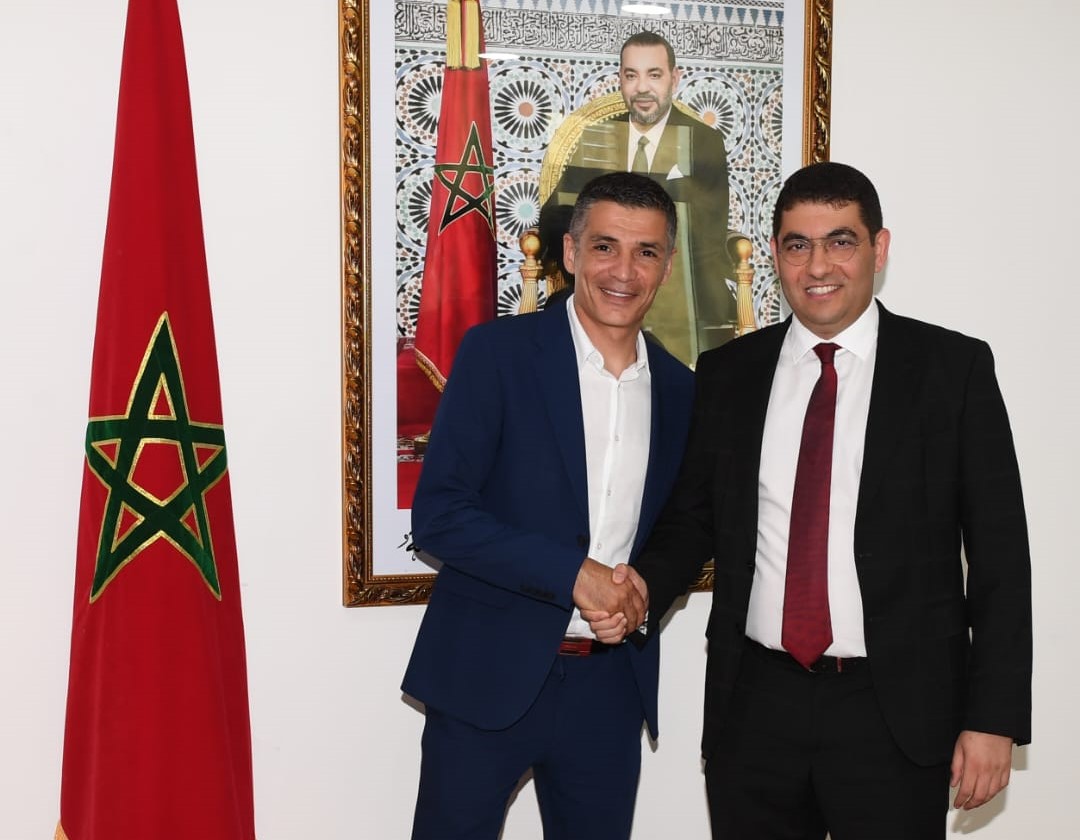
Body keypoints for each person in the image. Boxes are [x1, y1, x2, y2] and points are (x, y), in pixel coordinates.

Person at [592, 162, 1033, 838]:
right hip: (754, 710)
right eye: (798, 244)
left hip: (897, 714)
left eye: (840, 241)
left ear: (879, 248)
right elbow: (693, 520)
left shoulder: (952, 370)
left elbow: (1000, 558)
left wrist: (993, 718)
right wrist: (640, 587)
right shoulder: (730, 373)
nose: (818, 265)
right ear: (776, 255)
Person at [402, 171, 694, 840]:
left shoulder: (682, 390)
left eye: (646, 252)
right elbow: (440, 515)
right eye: (605, 246)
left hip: (609, 690)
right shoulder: (498, 354)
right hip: (485, 674)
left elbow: (682, 524)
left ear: (668, 265)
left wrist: (642, 591)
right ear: (570, 252)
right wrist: (573, 573)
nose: (624, 271)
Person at [539, 31, 733, 364]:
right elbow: (555, 215)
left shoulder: (702, 142)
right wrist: (602, 248)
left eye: (654, 75)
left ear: (674, 78)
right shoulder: (598, 136)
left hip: (681, 286)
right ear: (620, 80)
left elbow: (708, 234)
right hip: (604, 288)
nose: (642, 88)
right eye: (632, 76)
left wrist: (649, 263)